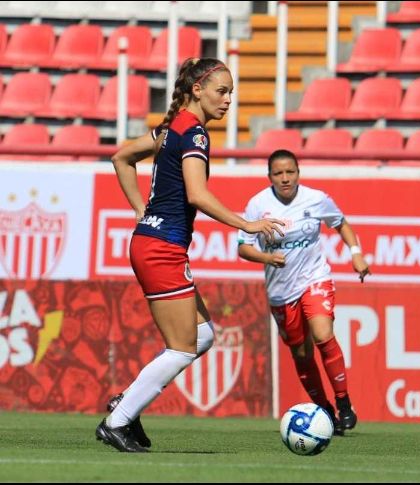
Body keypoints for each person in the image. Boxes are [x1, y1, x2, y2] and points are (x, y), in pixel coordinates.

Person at [97, 58, 285, 453]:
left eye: (231, 93)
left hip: (154, 243)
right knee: (182, 346)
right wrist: (246, 224)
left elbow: (121, 158)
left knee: (202, 335)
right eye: (222, 91)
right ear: (197, 90)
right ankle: (117, 421)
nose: (228, 100)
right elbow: (197, 194)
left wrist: (140, 210)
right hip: (161, 248)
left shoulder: (171, 128)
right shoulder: (194, 134)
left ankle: (126, 404)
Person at [237, 149, 370, 435]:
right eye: (278, 173)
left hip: (314, 278)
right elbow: (243, 248)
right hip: (280, 291)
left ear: (298, 173)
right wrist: (266, 257)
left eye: (290, 172)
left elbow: (341, 223)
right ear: (270, 176)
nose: (285, 178)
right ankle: (325, 412)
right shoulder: (258, 205)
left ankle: (344, 402)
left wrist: (356, 253)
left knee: (323, 334)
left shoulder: (316, 199)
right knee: (301, 354)